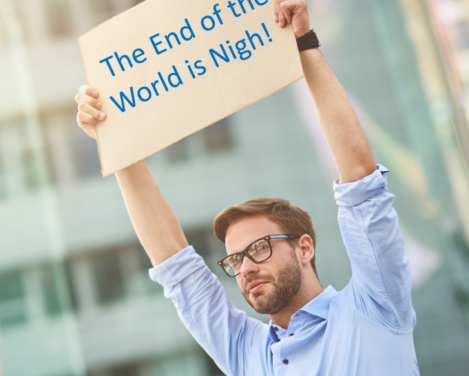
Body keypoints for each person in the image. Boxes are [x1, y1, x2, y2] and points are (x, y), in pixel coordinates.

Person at [74, 0, 419, 374]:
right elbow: (174, 264)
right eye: (235, 260)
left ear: (304, 248)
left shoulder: (375, 305)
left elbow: (359, 179)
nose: (245, 270)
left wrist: (303, 44)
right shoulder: (245, 353)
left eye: (257, 249)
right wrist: (117, 141)